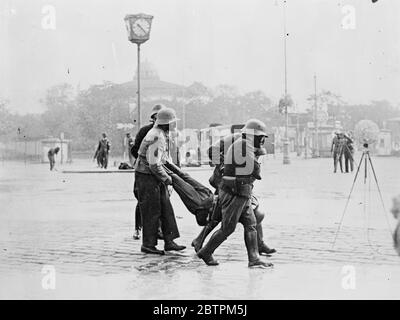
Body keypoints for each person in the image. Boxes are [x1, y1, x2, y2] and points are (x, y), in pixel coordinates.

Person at [197, 119, 273, 268]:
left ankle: (254, 258)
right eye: (260, 137)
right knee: (227, 228)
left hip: (242, 193)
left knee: (251, 224)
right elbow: (256, 170)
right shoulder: (243, 146)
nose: (263, 140)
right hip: (234, 194)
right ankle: (206, 252)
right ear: (252, 135)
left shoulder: (246, 145)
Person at [134, 107, 185, 255]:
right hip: (147, 176)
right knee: (151, 210)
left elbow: (164, 159)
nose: (175, 125)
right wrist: (167, 178)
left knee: (166, 207)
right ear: (166, 123)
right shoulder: (157, 136)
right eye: (172, 122)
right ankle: (148, 245)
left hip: (154, 174)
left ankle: (169, 241)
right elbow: (154, 164)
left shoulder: (162, 134)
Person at [132, 104, 165, 240]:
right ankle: (138, 228)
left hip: (159, 169)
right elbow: (135, 150)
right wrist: (145, 164)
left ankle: (158, 230)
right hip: (147, 171)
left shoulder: (166, 132)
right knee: (142, 201)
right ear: (153, 117)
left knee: (160, 202)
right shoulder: (147, 131)